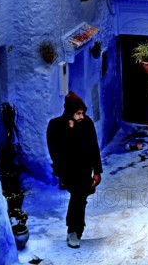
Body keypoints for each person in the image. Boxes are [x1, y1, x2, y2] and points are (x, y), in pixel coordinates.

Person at [46, 91, 103, 249]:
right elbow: (55, 151)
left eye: (82, 113)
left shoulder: (87, 124)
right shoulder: (56, 125)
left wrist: (97, 171)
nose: (81, 116)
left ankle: (75, 230)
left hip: (85, 169)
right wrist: (61, 170)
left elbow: (93, 148)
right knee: (79, 195)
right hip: (67, 171)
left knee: (80, 197)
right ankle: (74, 230)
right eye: (78, 113)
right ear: (70, 112)